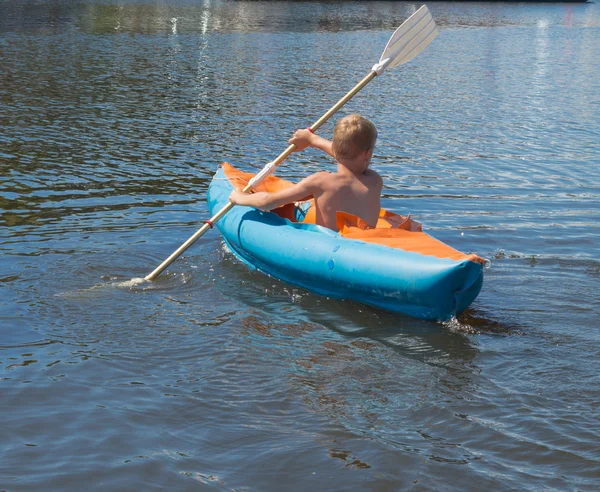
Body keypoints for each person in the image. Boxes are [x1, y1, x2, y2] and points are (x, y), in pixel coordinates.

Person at [229, 114, 382, 231]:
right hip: (362, 246)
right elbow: (348, 157)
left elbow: (268, 202)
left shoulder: (321, 181)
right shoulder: (375, 180)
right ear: (367, 153)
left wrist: (239, 198)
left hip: (331, 250)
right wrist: (312, 139)